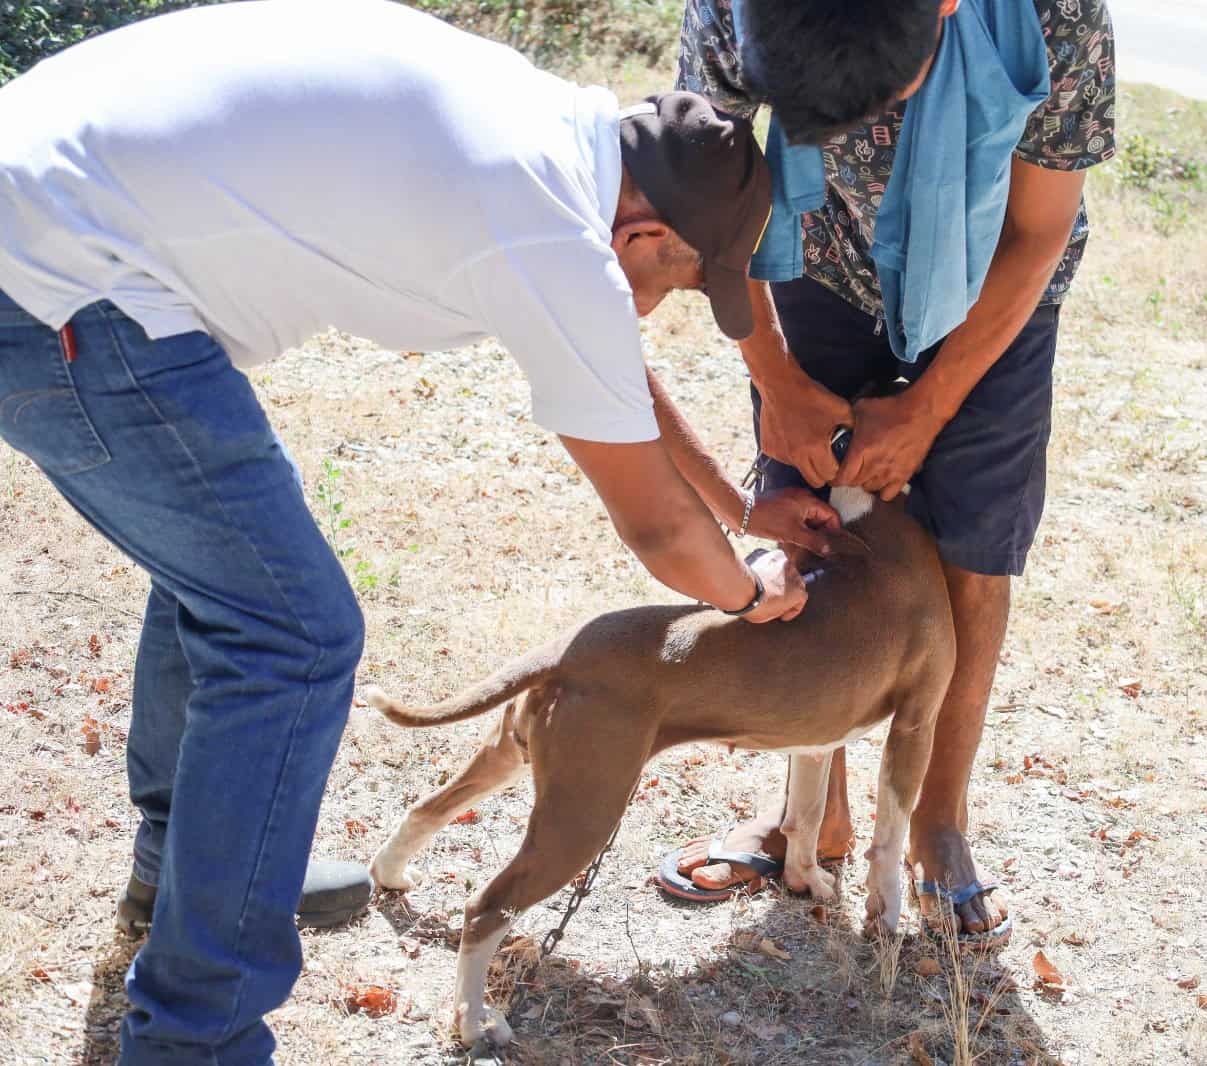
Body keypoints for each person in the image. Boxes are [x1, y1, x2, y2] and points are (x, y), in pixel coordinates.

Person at [0, 1, 837, 1061]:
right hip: (56, 282)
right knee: (291, 633)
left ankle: (196, 870)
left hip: (62, 227)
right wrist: (752, 591)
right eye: (680, 278)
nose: (663, 304)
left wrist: (741, 506)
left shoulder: (549, 137)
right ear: (645, 232)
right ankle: (197, 1036)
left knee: (233, 585)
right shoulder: (546, 221)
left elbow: (613, 370)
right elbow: (656, 533)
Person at [658, 0, 1116, 947]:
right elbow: (713, 194)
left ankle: (936, 819)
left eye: (881, 104)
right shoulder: (728, 11)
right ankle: (810, 819)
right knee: (811, 529)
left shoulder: (1055, 11)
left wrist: (930, 405)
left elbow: (1038, 229)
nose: (862, 133)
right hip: (812, 262)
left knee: (972, 551)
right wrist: (775, 378)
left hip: (995, 284)